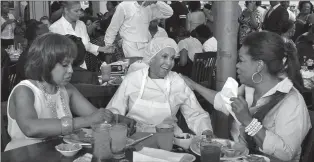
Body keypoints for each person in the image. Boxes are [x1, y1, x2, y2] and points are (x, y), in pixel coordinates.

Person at [181, 31, 311, 161]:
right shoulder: (248, 89)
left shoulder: (291, 102)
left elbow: (285, 154)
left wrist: (248, 121)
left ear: (259, 65)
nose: (237, 65)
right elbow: (223, 101)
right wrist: (193, 85)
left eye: (241, 61)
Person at [4, 33, 117, 151]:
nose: (71, 70)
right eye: (65, 65)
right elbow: (30, 128)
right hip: (21, 156)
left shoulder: (66, 89)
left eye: (71, 65)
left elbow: (96, 116)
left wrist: (117, 118)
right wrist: (88, 121)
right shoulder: (24, 91)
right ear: (45, 64)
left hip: (55, 155)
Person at [106, 37, 213, 137]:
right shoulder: (133, 79)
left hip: (168, 139)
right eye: (164, 56)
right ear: (151, 58)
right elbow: (113, 112)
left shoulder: (177, 82)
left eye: (172, 58)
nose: (169, 63)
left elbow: (195, 114)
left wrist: (206, 131)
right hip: (134, 138)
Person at [49, 1, 115, 70]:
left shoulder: (81, 24)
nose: (79, 13)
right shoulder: (55, 28)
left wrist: (103, 49)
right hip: (65, 68)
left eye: (80, 10)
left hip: (82, 67)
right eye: (76, 11)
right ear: (66, 10)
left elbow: (86, 45)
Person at [104, 1, 173, 57]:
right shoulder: (124, 5)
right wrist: (108, 45)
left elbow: (169, 13)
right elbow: (113, 27)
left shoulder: (150, 7)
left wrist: (156, 1)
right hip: (129, 46)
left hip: (145, 46)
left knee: (144, 71)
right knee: (134, 70)